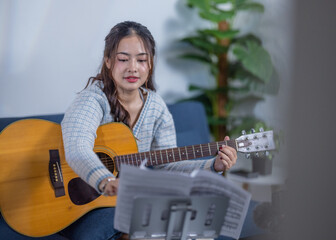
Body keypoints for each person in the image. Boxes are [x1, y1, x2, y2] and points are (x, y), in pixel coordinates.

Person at [0, 21, 237, 240]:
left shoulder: (157, 107)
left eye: (141, 60)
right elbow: (77, 150)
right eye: (123, 59)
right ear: (108, 61)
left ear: (150, 63)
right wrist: (106, 181)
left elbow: (166, 163)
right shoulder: (92, 100)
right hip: (68, 201)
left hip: (116, 201)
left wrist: (212, 165)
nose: (133, 68)